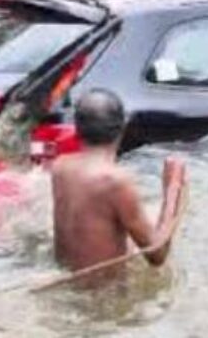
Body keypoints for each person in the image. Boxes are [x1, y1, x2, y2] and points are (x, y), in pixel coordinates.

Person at [50, 90, 187, 282]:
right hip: (102, 298)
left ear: (77, 128)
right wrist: (173, 188)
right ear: (123, 127)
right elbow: (157, 255)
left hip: (66, 283)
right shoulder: (115, 181)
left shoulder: (60, 167)